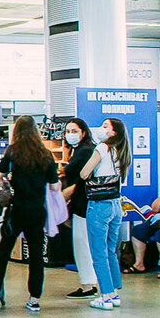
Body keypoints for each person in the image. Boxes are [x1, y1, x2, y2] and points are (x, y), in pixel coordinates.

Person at [0, 116, 60, 312]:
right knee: (36, 256)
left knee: (2, 253)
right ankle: (34, 299)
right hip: (38, 212)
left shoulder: (13, 152)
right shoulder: (45, 154)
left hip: (17, 210)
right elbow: (55, 186)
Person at [80, 118, 132, 310]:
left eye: (105, 127)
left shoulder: (102, 148)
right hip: (116, 204)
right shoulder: (124, 152)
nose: (100, 129)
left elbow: (84, 173)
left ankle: (106, 295)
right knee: (111, 251)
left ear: (113, 133)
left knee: (98, 252)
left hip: (99, 204)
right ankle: (114, 292)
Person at [61, 119, 99, 299]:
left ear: (83, 132)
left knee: (81, 242)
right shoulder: (78, 150)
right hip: (80, 202)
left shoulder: (85, 152)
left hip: (84, 203)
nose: (70, 134)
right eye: (68, 131)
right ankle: (88, 283)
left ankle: (88, 285)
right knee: (82, 241)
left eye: (74, 130)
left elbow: (82, 177)